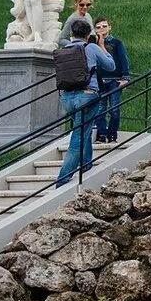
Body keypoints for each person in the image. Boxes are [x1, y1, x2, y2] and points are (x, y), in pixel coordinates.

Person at [54, 18, 115, 187]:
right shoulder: (91, 47)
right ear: (88, 35)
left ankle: (87, 163)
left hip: (66, 98)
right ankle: (63, 178)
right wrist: (102, 46)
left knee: (84, 128)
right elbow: (110, 66)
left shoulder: (64, 50)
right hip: (87, 95)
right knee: (78, 136)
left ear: (72, 34)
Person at [92, 17, 130, 143]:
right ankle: (101, 134)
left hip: (114, 79)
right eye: (98, 27)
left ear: (109, 27)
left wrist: (125, 77)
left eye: (104, 26)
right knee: (100, 109)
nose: (101, 29)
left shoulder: (116, 43)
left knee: (114, 108)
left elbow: (123, 59)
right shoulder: (93, 44)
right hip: (99, 80)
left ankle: (112, 133)